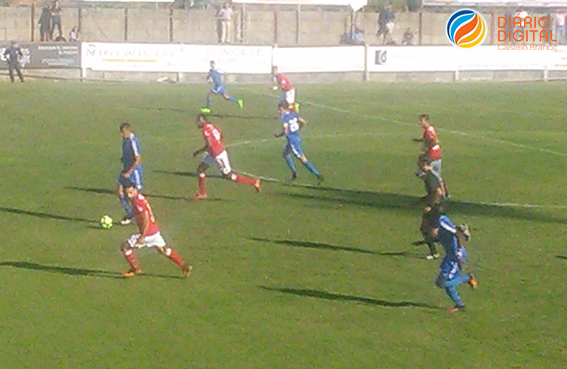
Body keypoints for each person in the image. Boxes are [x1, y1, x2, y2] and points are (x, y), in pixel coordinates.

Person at [120, 180, 192, 278]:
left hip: (147, 233)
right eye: (127, 193)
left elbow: (146, 220)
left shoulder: (137, 201)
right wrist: (129, 216)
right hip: (154, 231)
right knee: (163, 250)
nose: (128, 195)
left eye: (130, 192)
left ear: (135, 190)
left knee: (125, 247)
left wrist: (142, 236)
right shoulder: (139, 198)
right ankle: (184, 266)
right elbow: (137, 211)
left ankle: (135, 269)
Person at [190, 114, 261, 200]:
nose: (197, 124)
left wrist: (198, 151)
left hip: (218, 154)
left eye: (198, 121)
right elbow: (220, 135)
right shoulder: (212, 126)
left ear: (202, 121)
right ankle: (202, 193)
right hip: (213, 153)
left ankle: (253, 182)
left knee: (228, 176)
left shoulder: (205, 130)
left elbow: (209, 145)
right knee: (200, 169)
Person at [435, 216, 477, 312]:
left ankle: (468, 277)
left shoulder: (442, 222)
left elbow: (457, 234)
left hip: (455, 257)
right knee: (448, 284)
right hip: (450, 256)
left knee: (441, 283)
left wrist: (458, 253)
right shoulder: (440, 222)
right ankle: (460, 305)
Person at [275, 101, 323, 184]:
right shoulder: (293, 114)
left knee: (303, 159)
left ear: (283, 108)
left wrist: (281, 134)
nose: (279, 112)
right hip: (296, 137)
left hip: (292, 141)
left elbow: (286, 130)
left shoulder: (284, 118)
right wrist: (298, 129)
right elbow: (303, 121)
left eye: (280, 109)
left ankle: (318, 175)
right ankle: (294, 173)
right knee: (285, 154)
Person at [413, 114, 449, 197]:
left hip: (432, 156)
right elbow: (430, 139)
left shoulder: (428, 131)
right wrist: (419, 140)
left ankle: (438, 192)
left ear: (426, 121)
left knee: (420, 172)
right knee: (436, 176)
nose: (419, 123)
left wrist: (427, 147)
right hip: (437, 155)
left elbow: (435, 140)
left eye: (421, 121)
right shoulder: (430, 129)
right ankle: (440, 192)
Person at [116, 122, 143, 225]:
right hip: (125, 170)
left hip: (134, 172)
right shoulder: (125, 140)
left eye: (123, 132)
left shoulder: (133, 141)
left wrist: (129, 172)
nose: (122, 135)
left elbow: (138, 159)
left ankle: (141, 215)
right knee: (119, 192)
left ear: (128, 131)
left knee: (135, 196)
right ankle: (130, 214)